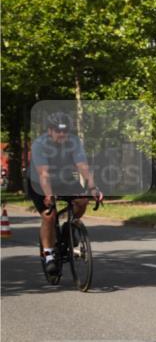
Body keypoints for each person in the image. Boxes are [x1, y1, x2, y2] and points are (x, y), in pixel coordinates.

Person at [27, 112, 103, 275]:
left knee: (82, 201)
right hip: (39, 182)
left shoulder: (74, 142)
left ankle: (69, 227)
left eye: (65, 130)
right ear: (50, 131)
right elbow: (44, 174)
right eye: (58, 130)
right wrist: (49, 196)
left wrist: (92, 187)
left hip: (64, 178)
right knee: (49, 215)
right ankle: (48, 255)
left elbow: (82, 165)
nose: (62, 134)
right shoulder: (39, 144)